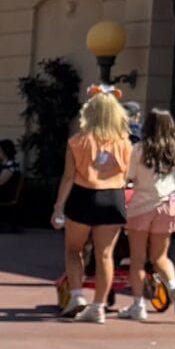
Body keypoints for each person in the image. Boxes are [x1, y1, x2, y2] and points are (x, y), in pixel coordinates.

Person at [50, 90, 133, 322]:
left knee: (74, 249)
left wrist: (58, 207)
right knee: (105, 254)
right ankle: (99, 306)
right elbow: (128, 176)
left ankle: (77, 295)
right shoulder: (125, 143)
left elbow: (68, 177)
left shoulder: (77, 141)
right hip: (113, 198)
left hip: (83, 195)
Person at [121, 109, 175, 318]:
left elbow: (129, 180)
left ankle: (138, 306)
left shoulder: (138, 149)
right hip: (168, 206)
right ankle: (173, 286)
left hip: (141, 206)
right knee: (160, 257)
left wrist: (125, 202)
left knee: (137, 259)